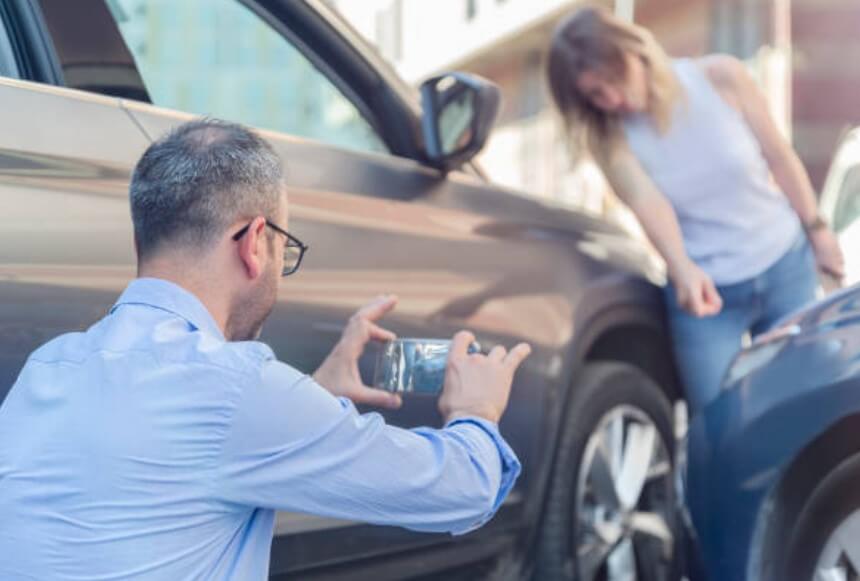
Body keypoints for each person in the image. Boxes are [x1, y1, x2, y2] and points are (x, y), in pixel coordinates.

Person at [0, 119, 531, 580]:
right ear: (255, 243)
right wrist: (475, 412)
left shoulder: (49, 367)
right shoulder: (237, 389)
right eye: (285, 249)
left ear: (141, 243)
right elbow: (460, 489)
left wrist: (313, 396)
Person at [546, 6, 845, 413]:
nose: (612, 99)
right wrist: (682, 267)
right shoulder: (610, 139)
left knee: (810, 401)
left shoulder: (721, 77)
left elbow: (779, 156)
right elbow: (648, 204)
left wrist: (819, 231)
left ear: (635, 50)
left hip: (783, 267)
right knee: (716, 422)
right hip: (706, 294)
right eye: (596, 95)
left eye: (614, 80)